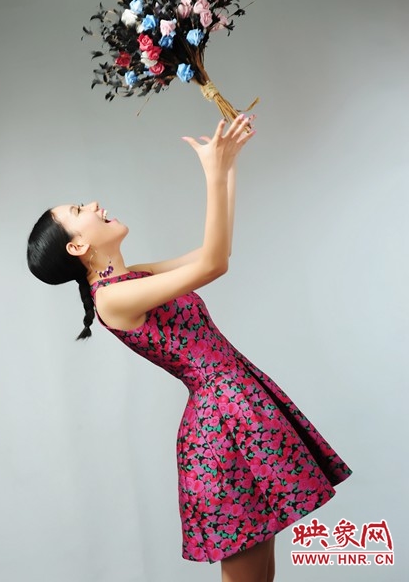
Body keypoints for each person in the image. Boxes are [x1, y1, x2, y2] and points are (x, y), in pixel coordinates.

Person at [27, 115, 352, 582]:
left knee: (263, 576)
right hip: (221, 429)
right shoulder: (112, 300)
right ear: (77, 247)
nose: (94, 204)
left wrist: (229, 166)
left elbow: (214, 252)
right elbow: (214, 265)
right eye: (80, 210)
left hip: (239, 409)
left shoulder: (133, 277)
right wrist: (212, 172)